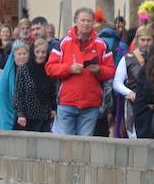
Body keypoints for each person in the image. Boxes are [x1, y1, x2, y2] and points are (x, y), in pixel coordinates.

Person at [46, 8, 114, 136]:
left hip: (91, 104)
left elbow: (110, 71)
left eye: (89, 21)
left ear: (93, 23)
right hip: (67, 102)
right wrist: (69, 69)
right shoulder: (63, 43)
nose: (86, 23)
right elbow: (50, 68)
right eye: (82, 20)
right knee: (66, 144)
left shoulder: (102, 45)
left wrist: (99, 70)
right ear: (76, 22)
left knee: (85, 146)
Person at [114, 25, 154, 138]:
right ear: (137, 40)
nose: (146, 43)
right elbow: (117, 83)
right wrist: (130, 93)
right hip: (134, 104)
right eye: (143, 40)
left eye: (149, 40)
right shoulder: (127, 58)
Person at [15, 38, 57, 132]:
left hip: (45, 117)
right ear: (32, 52)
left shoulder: (49, 69)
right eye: (37, 52)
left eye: (43, 52)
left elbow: (53, 92)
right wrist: (20, 114)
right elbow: (19, 93)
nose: (40, 55)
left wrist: (54, 109)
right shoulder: (24, 69)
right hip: (27, 118)